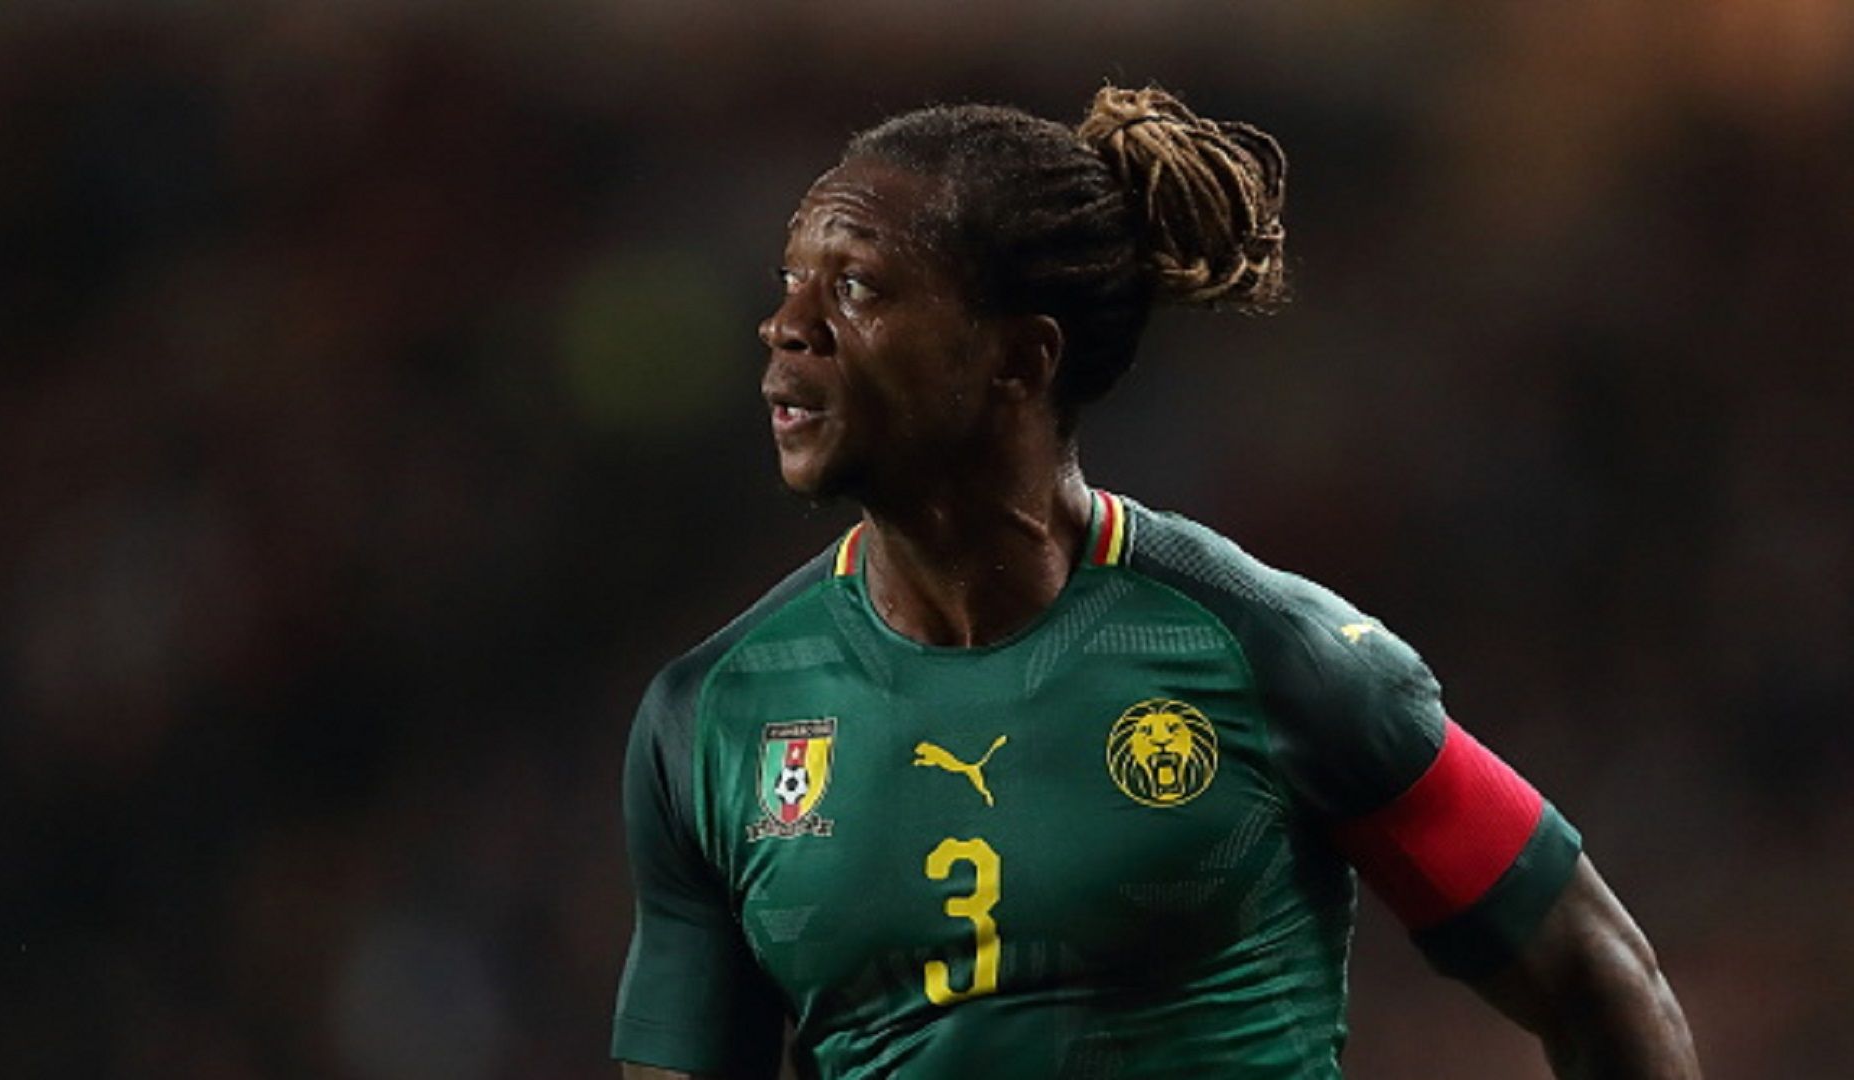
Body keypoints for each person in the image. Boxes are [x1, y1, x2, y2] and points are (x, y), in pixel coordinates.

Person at [612, 84, 1700, 1079]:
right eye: (791, 281)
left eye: (854, 285)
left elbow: (1595, 972)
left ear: (1020, 360)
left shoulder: (1273, 655)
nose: (788, 324)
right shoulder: (713, 720)